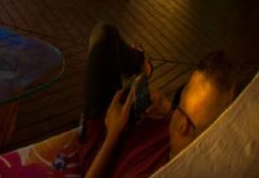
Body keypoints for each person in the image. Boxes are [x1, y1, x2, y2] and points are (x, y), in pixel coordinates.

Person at [79, 23, 238, 178]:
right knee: (105, 35)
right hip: (124, 121)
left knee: (104, 35)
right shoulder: (180, 129)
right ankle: (140, 63)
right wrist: (168, 109)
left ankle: (140, 63)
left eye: (191, 127)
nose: (180, 124)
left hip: (99, 149)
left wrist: (112, 134)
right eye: (180, 107)